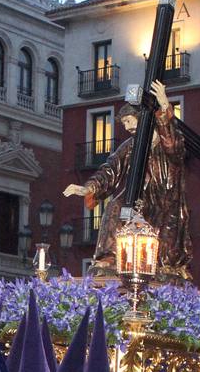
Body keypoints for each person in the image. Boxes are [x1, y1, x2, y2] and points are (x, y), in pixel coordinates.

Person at [63, 80, 191, 278]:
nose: (127, 127)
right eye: (124, 124)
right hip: (139, 195)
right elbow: (111, 169)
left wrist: (165, 105)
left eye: (129, 121)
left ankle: (160, 268)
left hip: (166, 197)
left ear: (142, 118)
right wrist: (88, 188)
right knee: (115, 206)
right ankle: (110, 259)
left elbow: (174, 147)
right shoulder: (130, 145)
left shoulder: (166, 138)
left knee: (166, 244)